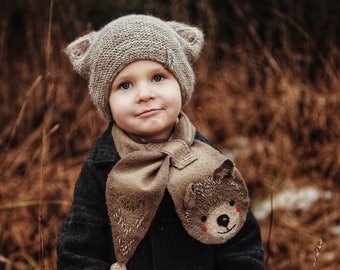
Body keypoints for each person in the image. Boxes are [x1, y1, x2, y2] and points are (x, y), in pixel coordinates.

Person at [57, 14, 265, 270]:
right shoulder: (100, 171)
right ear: (106, 101)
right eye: (125, 85)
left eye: (158, 77)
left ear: (181, 83)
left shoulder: (208, 162)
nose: (145, 94)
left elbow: (241, 247)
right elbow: (76, 255)